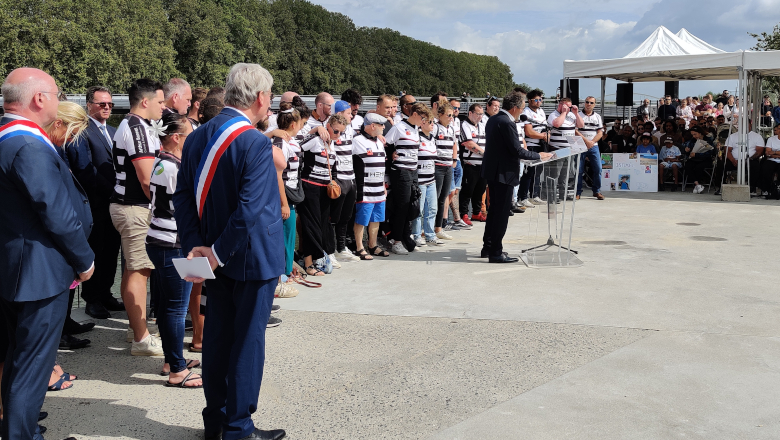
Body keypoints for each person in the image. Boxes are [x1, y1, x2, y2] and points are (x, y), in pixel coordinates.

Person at [173, 63, 286, 440]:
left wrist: (196, 248)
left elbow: (183, 198)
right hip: (251, 257)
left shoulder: (196, 136)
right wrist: (216, 253)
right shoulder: (254, 141)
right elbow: (250, 209)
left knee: (218, 338)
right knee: (247, 343)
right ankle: (238, 427)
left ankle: (216, 422)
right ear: (260, 98)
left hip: (207, 255)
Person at [0, 67, 94, 440]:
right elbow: (55, 212)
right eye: (56, 93)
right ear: (39, 98)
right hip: (38, 271)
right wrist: (84, 260)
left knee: (19, 359)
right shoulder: (27, 144)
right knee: (32, 365)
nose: (59, 101)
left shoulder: (8, 137)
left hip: (17, 267)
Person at [144, 112, 202, 386]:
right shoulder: (174, 168)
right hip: (175, 243)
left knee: (170, 306)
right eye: (190, 135)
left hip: (162, 240)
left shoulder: (161, 162)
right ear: (176, 138)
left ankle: (171, 358)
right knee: (176, 308)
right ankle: (178, 370)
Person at [109, 78, 165, 356]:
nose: (163, 107)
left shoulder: (137, 126)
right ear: (145, 102)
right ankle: (141, 339)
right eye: (160, 101)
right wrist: (164, 207)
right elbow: (146, 178)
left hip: (131, 205)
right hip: (134, 206)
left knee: (135, 268)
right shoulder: (136, 128)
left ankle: (136, 328)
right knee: (139, 270)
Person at [65, 86, 124, 320]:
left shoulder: (113, 130)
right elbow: (85, 170)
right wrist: (112, 191)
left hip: (115, 203)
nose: (107, 107)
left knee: (112, 250)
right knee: (96, 250)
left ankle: (106, 292)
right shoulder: (83, 131)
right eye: (102, 104)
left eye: (110, 104)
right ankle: (92, 299)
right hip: (96, 202)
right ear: (89, 105)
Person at [480, 91, 551, 263]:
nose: (522, 110)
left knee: (495, 212)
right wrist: (539, 155)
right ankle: (496, 251)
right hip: (503, 174)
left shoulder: (494, 119)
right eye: (521, 107)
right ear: (514, 108)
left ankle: (488, 247)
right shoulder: (506, 122)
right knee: (501, 214)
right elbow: (517, 150)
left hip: (494, 172)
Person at [298, 114, 344, 273]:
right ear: (328, 126)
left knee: (323, 223)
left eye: (341, 133)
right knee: (312, 225)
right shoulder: (316, 140)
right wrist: (316, 129)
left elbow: (334, 169)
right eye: (336, 131)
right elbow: (297, 145)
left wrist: (335, 181)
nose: (338, 135)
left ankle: (320, 257)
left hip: (325, 188)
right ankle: (309, 262)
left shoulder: (332, 145)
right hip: (310, 186)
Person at [385, 103, 430, 254]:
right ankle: (396, 240)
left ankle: (406, 238)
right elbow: (386, 143)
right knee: (402, 206)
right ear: (415, 114)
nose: (424, 121)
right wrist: (391, 155)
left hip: (413, 170)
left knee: (412, 205)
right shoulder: (399, 127)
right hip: (401, 171)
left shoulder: (415, 129)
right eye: (422, 118)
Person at [273, 102, 307, 278]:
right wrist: (284, 204)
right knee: (285, 237)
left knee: (289, 237)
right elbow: (277, 176)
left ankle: (286, 271)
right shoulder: (280, 144)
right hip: (284, 197)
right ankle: (282, 275)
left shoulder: (290, 142)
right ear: (293, 124)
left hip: (292, 194)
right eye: (301, 123)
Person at [352, 113, 390, 259]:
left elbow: (381, 165)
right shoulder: (357, 141)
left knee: (376, 219)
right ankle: (359, 247)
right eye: (381, 125)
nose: (383, 127)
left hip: (379, 188)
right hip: (365, 188)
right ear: (372, 126)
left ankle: (373, 245)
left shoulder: (379, 142)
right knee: (362, 218)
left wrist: (383, 185)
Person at [328, 100, 360, 264]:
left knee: (346, 217)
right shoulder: (332, 130)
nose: (351, 114)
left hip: (350, 178)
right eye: (348, 112)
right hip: (338, 177)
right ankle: (330, 249)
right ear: (339, 113)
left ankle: (341, 248)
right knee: (334, 216)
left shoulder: (351, 130)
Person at [412, 117, 440, 246]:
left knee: (432, 209)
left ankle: (430, 235)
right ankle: (417, 235)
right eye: (430, 122)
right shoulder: (417, 138)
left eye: (433, 122)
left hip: (431, 179)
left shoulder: (432, 138)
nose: (432, 125)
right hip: (420, 179)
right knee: (419, 210)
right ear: (422, 123)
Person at [432, 101, 457, 241]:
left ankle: (438, 228)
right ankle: (427, 229)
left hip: (448, 167)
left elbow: (454, 145)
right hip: (437, 166)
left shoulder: (452, 129)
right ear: (440, 115)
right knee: (434, 198)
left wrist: (454, 160)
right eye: (448, 115)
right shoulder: (435, 128)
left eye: (452, 115)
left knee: (443, 198)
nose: (451, 118)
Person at [459, 103, 487, 224]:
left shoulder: (482, 125)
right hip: (470, 164)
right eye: (477, 114)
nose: (480, 116)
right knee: (467, 190)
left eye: (482, 114)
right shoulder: (464, 125)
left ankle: (476, 213)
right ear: (470, 113)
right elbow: (469, 144)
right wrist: (486, 154)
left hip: (483, 165)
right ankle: (463, 214)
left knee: (480, 190)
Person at [520, 90, 548, 207]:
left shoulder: (541, 111)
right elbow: (529, 131)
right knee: (528, 173)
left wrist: (547, 135)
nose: (538, 102)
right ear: (529, 101)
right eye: (536, 100)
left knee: (538, 172)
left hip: (541, 145)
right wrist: (543, 136)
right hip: (531, 145)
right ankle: (523, 197)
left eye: (540, 100)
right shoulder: (526, 112)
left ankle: (534, 195)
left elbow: (545, 127)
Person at [575, 96, 605, 200]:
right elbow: (575, 130)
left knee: (598, 168)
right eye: (587, 102)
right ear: (584, 103)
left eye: (591, 103)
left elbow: (600, 132)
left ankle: (596, 191)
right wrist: (586, 141)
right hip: (580, 145)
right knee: (578, 170)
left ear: (594, 105)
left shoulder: (597, 116)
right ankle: (577, 192)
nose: (589, 104)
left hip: (593, 145)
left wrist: (592, 142)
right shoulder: (578, 115)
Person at [725, 122, 765, 195]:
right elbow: (727, 150)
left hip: (750, 159)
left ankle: (752, 187)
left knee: (755, 166)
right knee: (722, 164)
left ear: (750, 125)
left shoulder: (757, 136)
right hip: (734, 160)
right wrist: (733, 160)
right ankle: (721, 186)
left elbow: (760, 152)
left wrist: (748, 160)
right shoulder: (732, 136)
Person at [685, 127, 714, 194]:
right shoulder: (692, 141)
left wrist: (697, 155)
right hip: (694, 159)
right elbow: (689, 153)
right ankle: (697, 184)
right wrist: (687, 151)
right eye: (692, 135)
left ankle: (697, 185)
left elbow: (711, 152)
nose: (694, 136)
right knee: (687, 166)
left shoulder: (708, 140)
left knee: (699, 167)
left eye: (695, 134)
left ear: (700, 133)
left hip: (705, 159)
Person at [761, 124, 780, 197]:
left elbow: (771, 152)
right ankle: (766, 190)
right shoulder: (771, 139)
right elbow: (768, 153)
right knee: (766, 168)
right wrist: (778, 155)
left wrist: (774, 152)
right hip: (771, 160)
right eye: (779, 128)